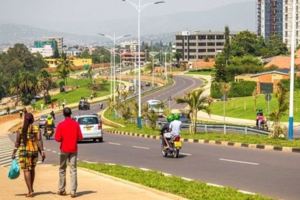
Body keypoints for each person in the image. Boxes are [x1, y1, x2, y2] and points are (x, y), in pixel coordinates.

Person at [12, 111, 45, 197]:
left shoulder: (20, 129)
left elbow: (17, 143)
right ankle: (31, 188)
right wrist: (42, 151)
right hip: (34, 152)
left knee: (26, 170)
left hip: (24, 152)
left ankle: (30, 191)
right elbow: (39, 141)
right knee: (32, 169)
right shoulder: (36, 129)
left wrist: (13, 153)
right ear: (33, 120)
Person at [55, 107, 83, 198]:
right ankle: (73, 191)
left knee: (62, 169)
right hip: (73, 149)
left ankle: (62, 189)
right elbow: (80, 137)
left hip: (64, 149)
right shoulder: (76, 124)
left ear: (63, 114)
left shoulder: (61, 125)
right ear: (71, 114)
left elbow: (57, 138)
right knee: (73, 169)